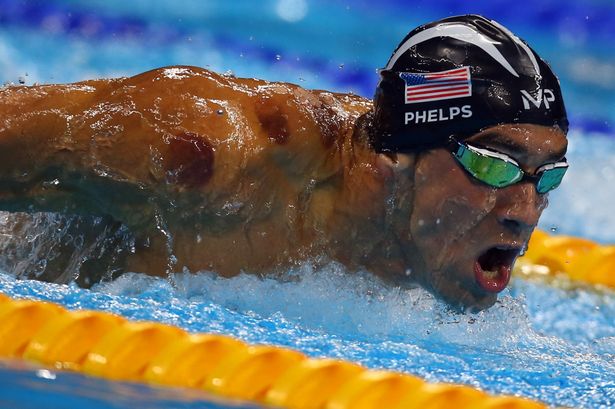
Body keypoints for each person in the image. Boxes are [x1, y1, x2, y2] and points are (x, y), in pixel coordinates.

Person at [0, 15, 568, 309]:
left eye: (548, 176)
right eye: (494, 165)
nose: (524, 211)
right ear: (399, 153)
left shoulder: (428, 249)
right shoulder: (209, 154)